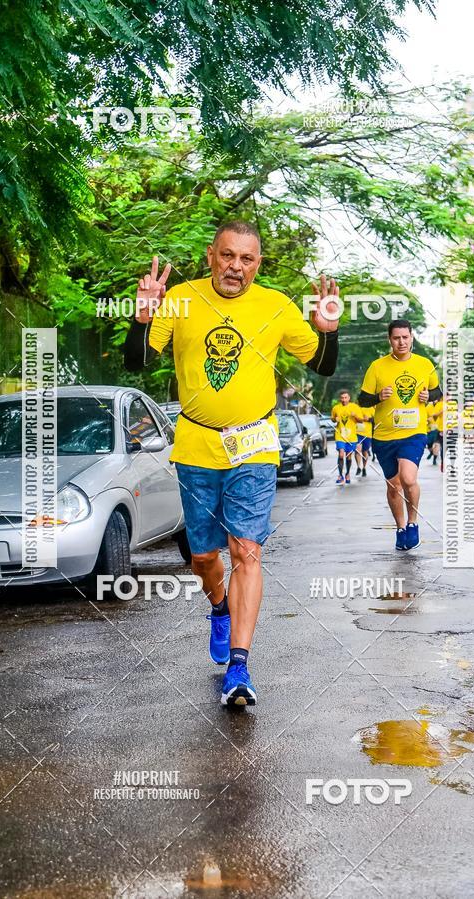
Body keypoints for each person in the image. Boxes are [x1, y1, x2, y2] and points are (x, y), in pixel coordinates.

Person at [124, 220, 339, 705]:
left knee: (247, 551)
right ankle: (218, 606)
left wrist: (330, 331)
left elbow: (322, 364)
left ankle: (239, 668)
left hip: (255, 447)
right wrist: (140, 320)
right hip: (197, 447)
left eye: (246, 259)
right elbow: (136, 362)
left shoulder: (276, 305)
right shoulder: (180, 299)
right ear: (210, 255)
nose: (235, 267)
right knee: (204, 557)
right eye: (227, 256)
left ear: (257, 264)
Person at [358, 319, 441, 551]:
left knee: (408, 478)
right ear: (390, 340)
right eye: (397, 338)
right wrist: (378, 397)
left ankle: (413, 522)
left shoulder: (425, 364)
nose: (401, 342)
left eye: (405, 337)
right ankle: (401, 527)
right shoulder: (377, 366)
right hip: (384, 435)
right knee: (393, 485)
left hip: (413, 433)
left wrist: (429, 396)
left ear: (411, 338)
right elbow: (362, 399)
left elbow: (438, 390)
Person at [331, 390, 364, 484]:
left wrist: (355, 416)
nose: (344, 399)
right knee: (341, 454)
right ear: (340, 398)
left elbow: (361, 420)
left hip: (351, 437)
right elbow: (332, 418)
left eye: (345, 397)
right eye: (342, 398)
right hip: (340, 435)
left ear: (349, 398)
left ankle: (347, 474)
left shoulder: (355, 407)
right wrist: (334, 419)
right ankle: (340, 475)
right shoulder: (336, 408)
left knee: (348, 457)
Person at [355, 404, 375, 477]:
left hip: (367, 434)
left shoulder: (370, 408)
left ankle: (364, 468)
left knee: (365, 451)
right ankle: (358, 467)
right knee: (357, 450)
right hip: (357, 433)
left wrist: (369, 419)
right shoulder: (355, 408)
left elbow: (376, 418)